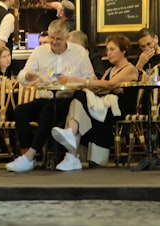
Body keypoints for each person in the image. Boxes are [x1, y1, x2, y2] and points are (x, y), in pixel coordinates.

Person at [5, 19, 94, 173]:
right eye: (51, 38)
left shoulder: (79, 53)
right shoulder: (39, 52)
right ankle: (25, 153)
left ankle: (30, 156)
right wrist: (29, 75)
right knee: (20, 110)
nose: (54, 42)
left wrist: (72, 82)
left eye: (58, 39)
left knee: (48, 110)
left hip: (68, 99)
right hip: (44, 97)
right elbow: (21, 76)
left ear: (67, 38)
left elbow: (90, 79)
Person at [49, 33, 138, 171]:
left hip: (118, 108)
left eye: (112, 49)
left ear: (123, 50)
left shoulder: (130, 69)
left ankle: (72, 150)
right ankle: (71, 145)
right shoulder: (109, 70)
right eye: (107, 50)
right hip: (104, 104)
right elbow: (102, 87)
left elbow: (108, 84)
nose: (108, 53)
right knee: (78, 100)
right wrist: (106, 86)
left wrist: (81, 81)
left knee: (81, 97)